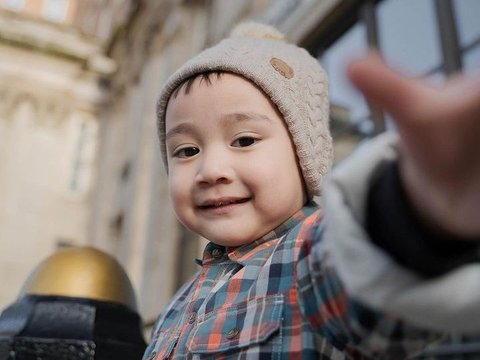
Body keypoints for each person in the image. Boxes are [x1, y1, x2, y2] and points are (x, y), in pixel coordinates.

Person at [143, 22, 480, 359]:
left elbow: (367, 276)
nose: (211, 171)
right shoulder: (178, 302)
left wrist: (419, 207)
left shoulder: (310, 258)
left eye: (244, 140)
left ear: (305, 156)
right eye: (187, 151)